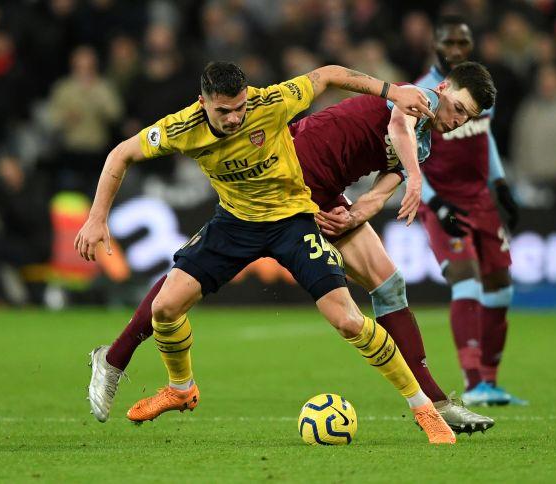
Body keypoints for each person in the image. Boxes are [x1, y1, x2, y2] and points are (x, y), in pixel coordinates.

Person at [86, 61, 498, 435]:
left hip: (323, 192)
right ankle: (116, 359)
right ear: (443, 88)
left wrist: (360, 213)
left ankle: (433, 403)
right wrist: (413, 174)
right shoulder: (420, 101)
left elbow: (382, 183)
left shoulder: (426, 138)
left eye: (467, 117)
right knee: (181, 287)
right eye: (457, 107)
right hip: (296, 176)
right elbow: (397, 128)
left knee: (386, 287)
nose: (457, 119)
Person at [415, 16, 526, 406]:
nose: (457, 50)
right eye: (450, 43)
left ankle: (491, 383)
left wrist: (501, 186)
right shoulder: (421, 94)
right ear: (435, 45)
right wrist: (435, 202)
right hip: (444, 201)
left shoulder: (476, 88)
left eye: (464, 43)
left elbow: (485, 136)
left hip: (481, 200)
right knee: (468, 282)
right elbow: (407, 158)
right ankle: (473, 381)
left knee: (500, 290)